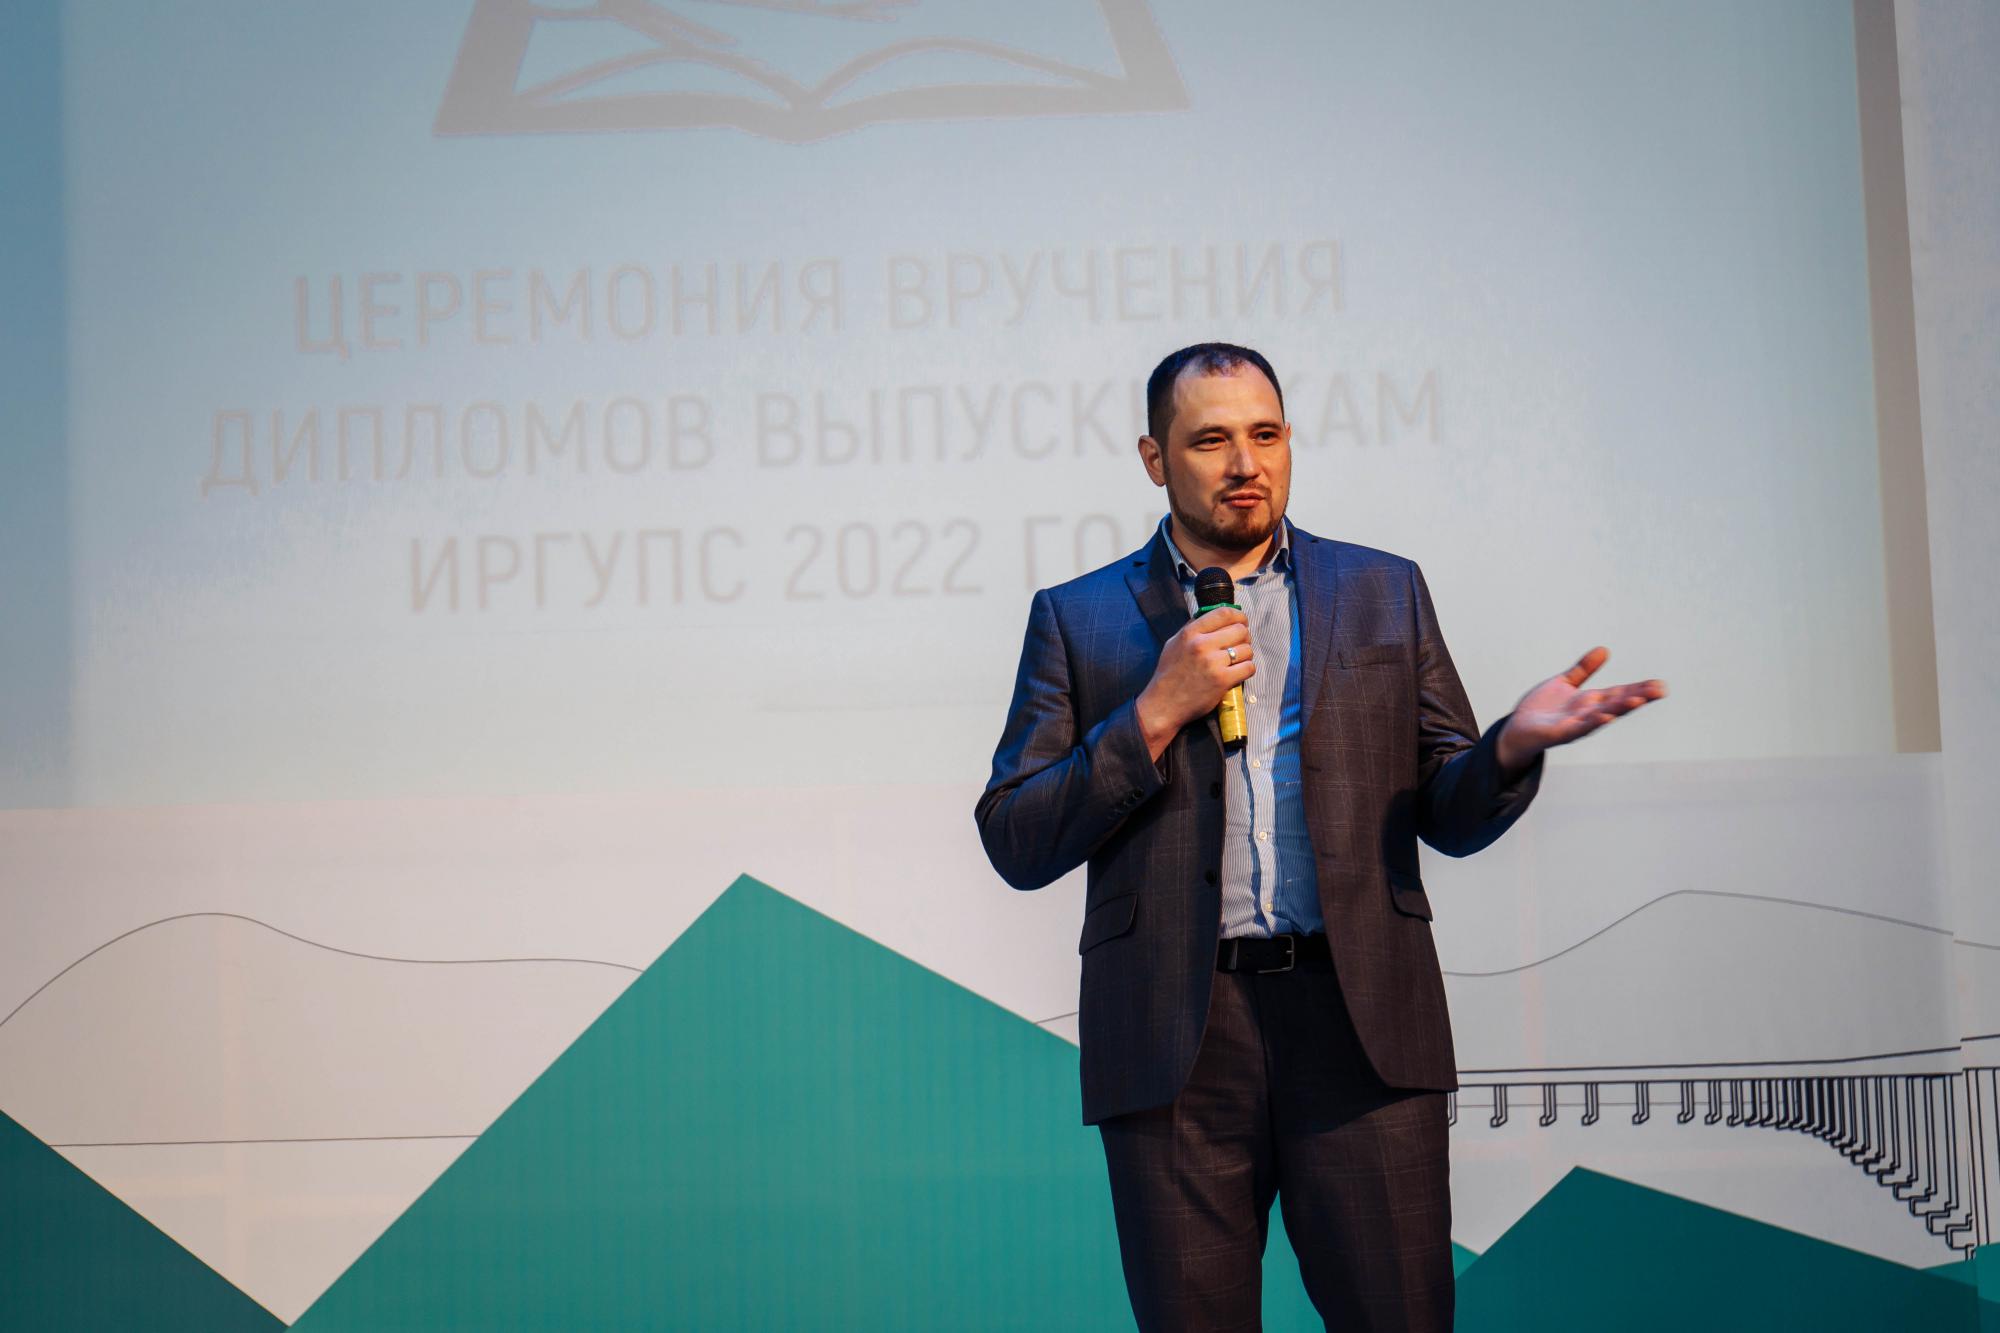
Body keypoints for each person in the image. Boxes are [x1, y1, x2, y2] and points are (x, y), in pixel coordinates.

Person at [974, 343, 1665, 1331]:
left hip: (1359, 1024)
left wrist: (1510, 746)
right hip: (1176, 1039)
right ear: (1153, 459)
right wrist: (1153, 714)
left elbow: (1448, 809)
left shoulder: (1383, 589)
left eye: (1265, 434)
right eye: (1209, 440)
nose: (1243, 463)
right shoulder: (1077, 618)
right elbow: (1015, 835)